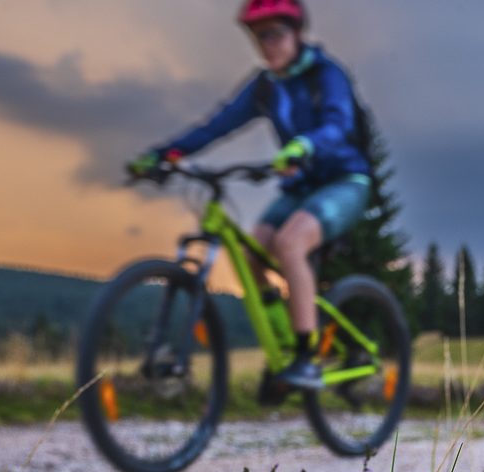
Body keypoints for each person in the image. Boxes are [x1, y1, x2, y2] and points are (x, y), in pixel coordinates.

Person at [128, 0, 371, 392]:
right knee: (250, 254)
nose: (267, 45)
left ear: (296, 33)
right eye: (259, 37)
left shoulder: (326, 74)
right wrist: (166, 153)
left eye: (274, 34)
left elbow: (338, 124)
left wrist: (304, 147)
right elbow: (216, 125)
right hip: (299, 187)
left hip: (345, 181)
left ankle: (307, 358)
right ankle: (284, 349)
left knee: (290, 243)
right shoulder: (264, 87)